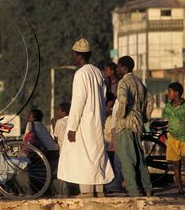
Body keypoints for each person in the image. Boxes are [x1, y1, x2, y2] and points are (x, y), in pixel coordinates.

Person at [57, 38, 114, 197]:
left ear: (77, 55)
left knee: (83, 157)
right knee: (96, 156)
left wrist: (72, 127)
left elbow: (78, 102)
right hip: (96, 121)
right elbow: (102, 99)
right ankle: (99, 190)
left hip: (83, 123)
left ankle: (87, 191)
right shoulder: (97, 72)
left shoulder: (81, 74)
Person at [114, 56, 154, 197]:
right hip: (137, 124)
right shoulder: (138, 82)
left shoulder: (123, 82)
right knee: (139, 157)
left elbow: (123, 100)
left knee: (127, 159)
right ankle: (148, 188)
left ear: (124, 68)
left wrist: (119, 117)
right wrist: (144, 117)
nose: (116, 69)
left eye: (118, 67)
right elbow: (150, 100)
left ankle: (133, 190)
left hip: (125, 124)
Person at [163, 82, 185, 195]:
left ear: (177, 93)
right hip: (172, 138)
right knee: (175, 164)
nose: (168, 94)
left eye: (170, 92)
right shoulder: (168, 106)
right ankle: (179, 188)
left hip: (184, 138)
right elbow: (166, 119)